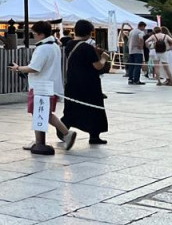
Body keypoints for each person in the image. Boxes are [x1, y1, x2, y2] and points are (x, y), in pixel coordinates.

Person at [11, 21, 75, 153]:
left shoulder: (43, 48)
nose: (34, 36)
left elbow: (34, 68)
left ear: (41, 34)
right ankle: (41, 139)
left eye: (34, 34)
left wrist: (18, 68)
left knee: (40, 113)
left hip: (41, 86)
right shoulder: (54, 46)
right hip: (51, 84)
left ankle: (63, 134)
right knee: (44, 113)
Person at [63, 19, 112, 145]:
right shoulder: (87, 48)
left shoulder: (69, 45)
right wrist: (104, 58)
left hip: (73, 81)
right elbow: (98, 66)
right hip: (89, 83)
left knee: (72, 108)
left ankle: (63, 128)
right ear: (89, 33)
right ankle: (94, 135)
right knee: (94, 109)